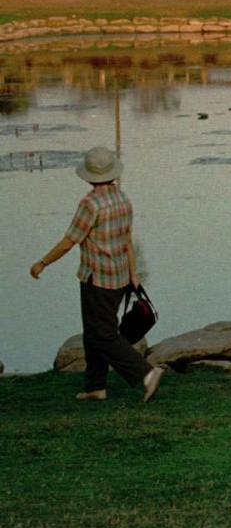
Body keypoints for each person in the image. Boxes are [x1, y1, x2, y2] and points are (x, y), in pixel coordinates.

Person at [28, 146, 164, 403]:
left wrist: (42, 263)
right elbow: (127, 241)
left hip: (98, 279)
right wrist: (133, 274)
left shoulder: (89, 204)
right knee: (94, 332)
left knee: (102, 334)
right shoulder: (123, 199)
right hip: (121, 277)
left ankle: (146, 374)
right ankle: (95, 386)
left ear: (89, 176)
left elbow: (70, 241)